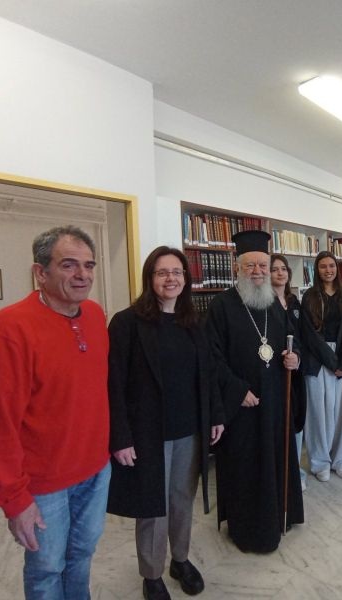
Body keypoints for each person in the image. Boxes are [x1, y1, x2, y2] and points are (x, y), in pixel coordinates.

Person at [0, 225, 110, 599]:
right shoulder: (8, 329)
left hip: (96, 470)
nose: (82, 275)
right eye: (68, 265)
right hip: (43, 483)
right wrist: (14, 500)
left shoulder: (94, 315)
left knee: (82, 555)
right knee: (47, 569)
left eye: (88, 265)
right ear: (40, 272)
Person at [107, 246, 225, 600]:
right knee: (152, 508)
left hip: (190, 430)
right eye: (162, 272)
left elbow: (208, 374)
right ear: (150, 278)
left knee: (182, 501)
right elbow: (113, 384)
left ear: (185, 279)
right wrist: (120, 437)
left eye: (176, 272)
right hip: (148, 435)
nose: (170, 278)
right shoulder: (127, 323)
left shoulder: (194, 322)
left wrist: (215, 415)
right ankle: (152, 573)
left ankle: (180, 560)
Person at [205, 230, 303, 553]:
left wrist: (294, 358)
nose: (258, 272)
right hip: (243, 406)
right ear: (237, 268)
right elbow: (211, 356)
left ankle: (279, 515)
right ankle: (248, 529)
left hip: (274, 401)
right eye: (250, 266)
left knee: (275, 457)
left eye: (263, 265)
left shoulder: (274, 304)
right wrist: (237, 390)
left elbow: (292, 341)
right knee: (245, 466)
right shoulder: (221, 305)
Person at [299, 251, 342, 481]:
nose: (328, 270)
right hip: (318, 360)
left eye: (331, 265)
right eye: (323, 266)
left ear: (337, 268)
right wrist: (332, 362)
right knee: (318, 413)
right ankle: (320, 462)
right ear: (317, 270)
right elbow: (309, 334)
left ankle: (341, 460)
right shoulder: (309, 297)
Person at [270, 254, 308, 491]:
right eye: (274, 269)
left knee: (295, 416)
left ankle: (295, 469)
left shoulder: (294, 302)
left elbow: (302, 336)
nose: (280, 273)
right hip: (275, 370)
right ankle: (282, 469)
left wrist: (298, 357)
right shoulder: (264, 303)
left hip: (296, 372)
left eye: (283, 269)